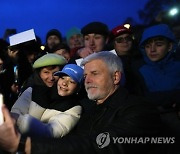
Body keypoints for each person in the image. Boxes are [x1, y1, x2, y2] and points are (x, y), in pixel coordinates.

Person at [0, 51, 163, 154]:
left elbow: (99, 145)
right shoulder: (89, 108)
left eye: (95, 73)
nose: (88, 80)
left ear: (116, 77)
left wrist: (25, 145)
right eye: (85, 76)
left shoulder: (139, 110)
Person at [131, 24, 180, 137]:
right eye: (147, 46)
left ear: (170, 46)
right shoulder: (138, 70)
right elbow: (142, 99)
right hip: (152, 125)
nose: (152, 50)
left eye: (158, 45)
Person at [16, 64, 84, 138]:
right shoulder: (33, 91)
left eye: (71, 82)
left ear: (78, 88)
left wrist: (21, 122)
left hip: (38, 147)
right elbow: (16, 112)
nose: (64, 83)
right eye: (62, 78)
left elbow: (52, 131)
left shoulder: (74, 108)